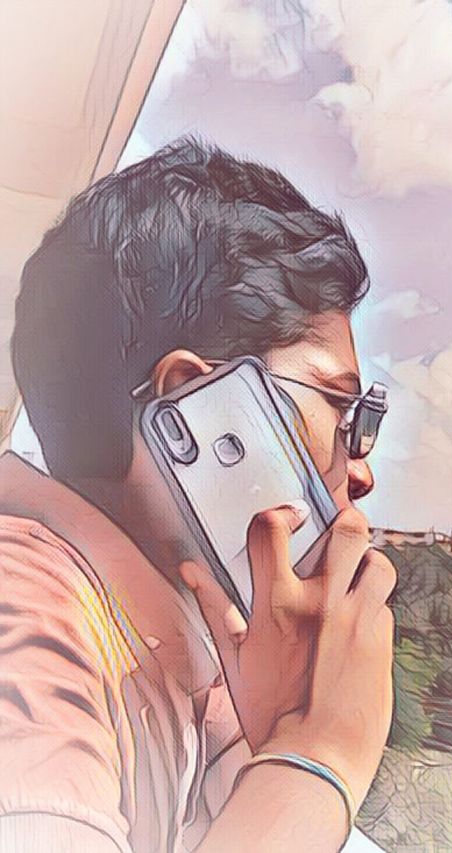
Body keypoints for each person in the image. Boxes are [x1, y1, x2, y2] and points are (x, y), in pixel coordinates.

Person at [0, 137, 396, 852]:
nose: (360, 468)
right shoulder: (27, 620)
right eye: (341, 410)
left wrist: (272, 734)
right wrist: (318, 757)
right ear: (194, 405)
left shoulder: (178, 647)